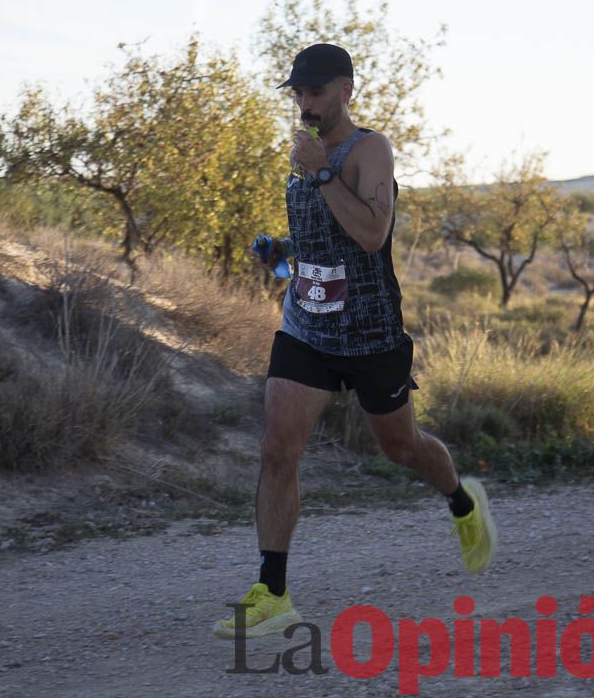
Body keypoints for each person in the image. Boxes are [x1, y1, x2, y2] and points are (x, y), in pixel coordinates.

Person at [213, 43, 497, 640]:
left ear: (346, 89)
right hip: (307, 328)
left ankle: (462, 504)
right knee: (276, 449)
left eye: (314, 92)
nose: (304, 104)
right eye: (297, 93)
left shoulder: (370, 150)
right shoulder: (304, 155)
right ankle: (274, 592)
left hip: (369, 336)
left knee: (403, 448)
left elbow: (370, 235)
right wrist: (281, 259)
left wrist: (319, 169)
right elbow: (323, 246)